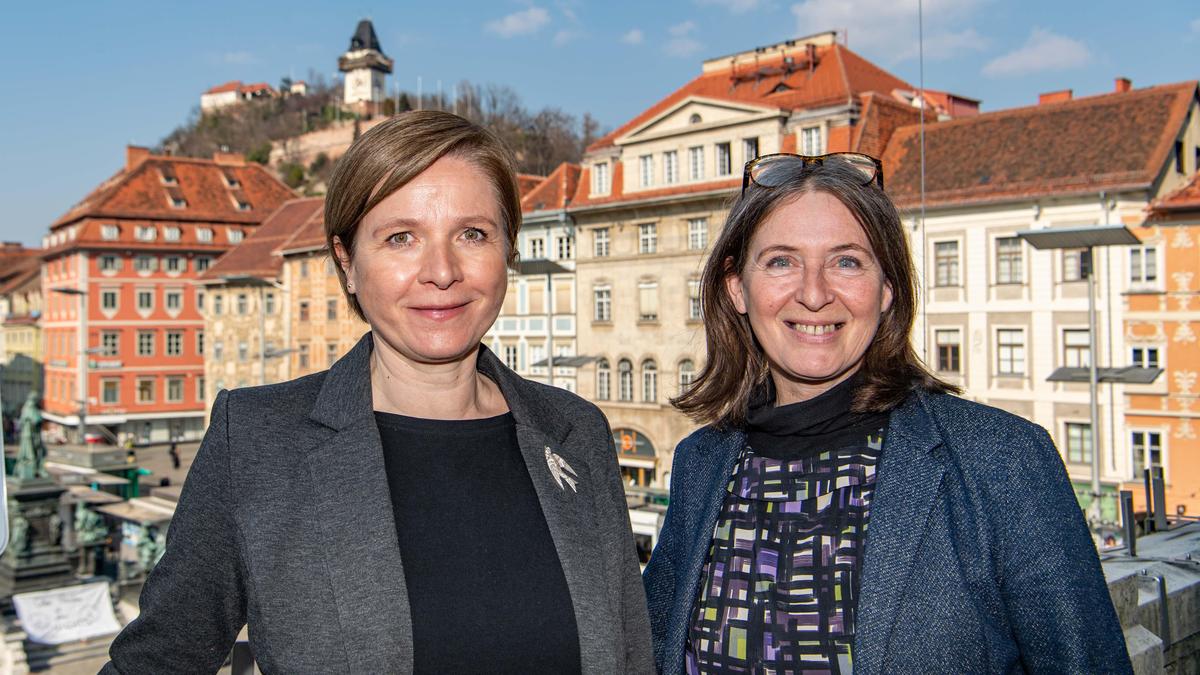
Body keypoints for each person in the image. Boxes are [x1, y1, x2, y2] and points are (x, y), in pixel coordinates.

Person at [103, 111, 653, 674]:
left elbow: (633, 655)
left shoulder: (574, 430)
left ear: (508, 250)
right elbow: (157, 660)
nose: (441, 271)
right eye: (400, 238)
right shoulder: (257, 441)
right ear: (347, 263)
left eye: (472, 234)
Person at [642, 153, 1131, 674]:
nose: (813, 293)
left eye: (847, 261)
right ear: (737, 288)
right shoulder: (703, 463)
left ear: (888, 290)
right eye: (781, 261)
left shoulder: (1001, 460)